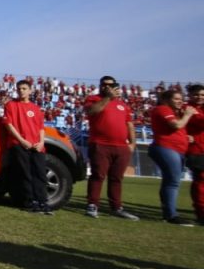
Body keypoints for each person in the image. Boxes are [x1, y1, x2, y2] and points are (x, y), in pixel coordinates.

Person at [83, 76, 139, 220]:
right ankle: (92, 205)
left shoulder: (122, 105)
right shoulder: (93, 99)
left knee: (116, 178)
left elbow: (129, 124)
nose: (107, 87)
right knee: (98, 175)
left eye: (110, 85)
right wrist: (107, 98)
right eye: (104, 85)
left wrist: (132, 143)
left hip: (121, 147)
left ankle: (117, 207)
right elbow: (92, 112)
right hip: (100, 144)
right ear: (100, 86)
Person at [147, 88, 196, 226]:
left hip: (176, 149)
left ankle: (168, 213)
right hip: (166, 148)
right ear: (166, 100)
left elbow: (174, 130)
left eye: (181, 99)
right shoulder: (163, 109)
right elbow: (176, 125)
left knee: (170, 181)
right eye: (176, 99)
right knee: (173, 182)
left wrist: (186, 137)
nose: (180, 101)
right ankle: (171, 215)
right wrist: (187, 115)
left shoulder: (174, 112)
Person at [3, 80, 51, 214]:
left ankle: (43, 201)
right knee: (26, 173)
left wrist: (41, 142)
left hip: (37, 146)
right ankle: (30, 202)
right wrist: (21, 140)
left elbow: (41, 128)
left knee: (40, 174)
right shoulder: (11, 105)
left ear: (30, 90)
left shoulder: (36, 108)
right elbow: (8, 124)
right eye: (19, 88)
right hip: (20, 144)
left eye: (24, 88)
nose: (21, 91)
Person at [185, 84, 204, 224]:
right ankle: (201, 213)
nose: (199, 97)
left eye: (202, 95)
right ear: (190, 95)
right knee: (200, 181)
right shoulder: (189, 109)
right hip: (196, 151)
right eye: (196, 94)